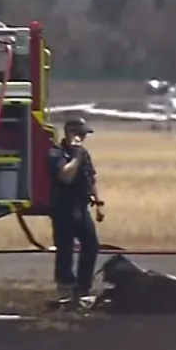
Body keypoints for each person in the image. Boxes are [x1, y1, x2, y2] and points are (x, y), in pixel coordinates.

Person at [48, 117, 104, 306]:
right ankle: (65, 286)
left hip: (80, 206)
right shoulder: (56, 153)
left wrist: (98, 202)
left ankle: (83, 286)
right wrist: (76, 155)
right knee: (65, 249)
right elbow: (66, 177)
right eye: (79, 134)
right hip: (63, 207)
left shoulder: (83, 154)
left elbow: (91, 177)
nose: (83, 138)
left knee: (91, 245)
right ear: (69, 132)